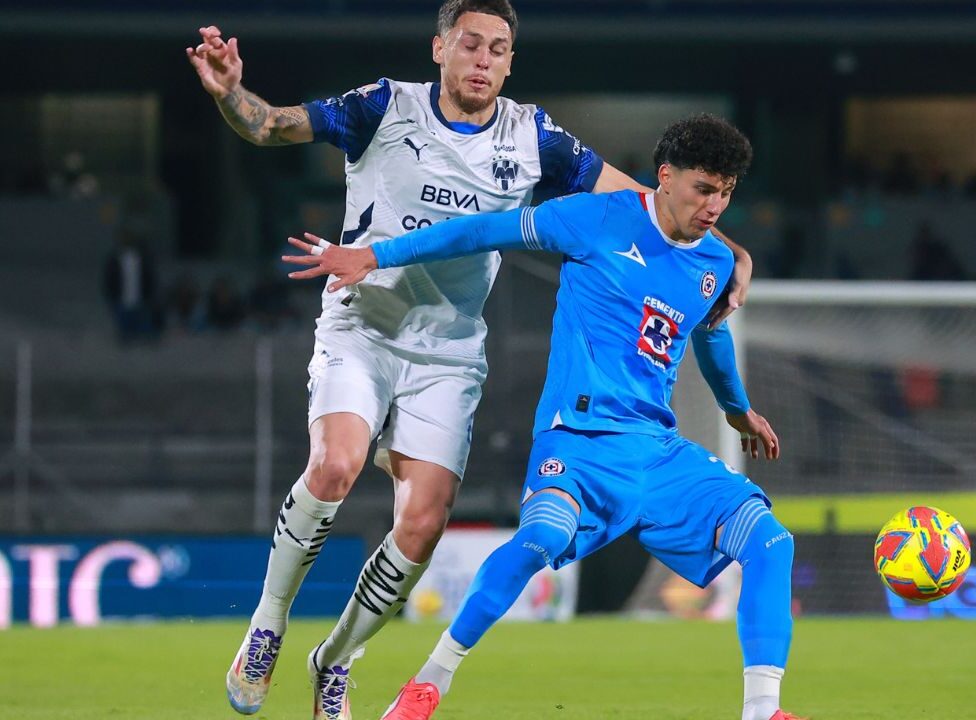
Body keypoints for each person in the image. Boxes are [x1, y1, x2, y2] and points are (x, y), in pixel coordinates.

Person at [186, 2, 753, 717]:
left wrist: (734, 253)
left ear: (511, 62)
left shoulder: (534, 136)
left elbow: (651, 205)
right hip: (364, 323)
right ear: (440, 49)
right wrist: (231, 92)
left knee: (422, 525)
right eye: (471, 45)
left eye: (499, 49)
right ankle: (266, 625)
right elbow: (270, 125)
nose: (484, 60)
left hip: (449, 352)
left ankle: (334, 659)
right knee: (336, 464)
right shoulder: (383, 106)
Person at [285, 114, 805, 720]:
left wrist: (736, 408)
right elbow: (482, 230)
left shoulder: (714, 262)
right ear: (666, 177)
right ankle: (427, 683)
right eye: (704, 188)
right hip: (578, 442)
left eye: (726, 192)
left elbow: (709, 332)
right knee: (540, 541)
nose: (714, 205)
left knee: (771, 541)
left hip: (657, 451)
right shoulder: (592, 218)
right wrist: (375, 254)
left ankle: (762, 711)